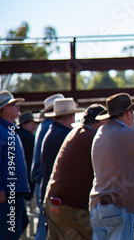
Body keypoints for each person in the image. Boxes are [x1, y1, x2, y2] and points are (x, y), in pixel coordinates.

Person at [89, 93, 134, 240]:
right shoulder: (126, 134)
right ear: (128, 113)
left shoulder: (101, 132)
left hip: (97, 205)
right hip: (119, 206)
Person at [43, 104, 106, 240]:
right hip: (70, 207)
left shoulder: (76, 132)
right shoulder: (93, 137)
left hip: (57, 202)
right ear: (101, 121)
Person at [40, 98, 84, 212]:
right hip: (60, 197)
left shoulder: (52, 132)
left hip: (52, 193)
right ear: (72, 117)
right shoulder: (65, 137)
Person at [32, 93, 64, 240]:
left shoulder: (44, 127)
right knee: (45, 229)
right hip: (45, 182)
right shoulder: (51, 128)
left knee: (44, 225)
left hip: (41, 181)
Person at [0, 91, 30, 239]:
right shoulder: (1, 131)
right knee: (9, 233)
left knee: (19, 226)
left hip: (15, 191)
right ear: (5, 108)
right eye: (14, 104)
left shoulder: (9, 130)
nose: (18, 107)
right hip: (8, 192)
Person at [16, 111, 39, 200]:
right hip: (25, 179)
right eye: (31, 123)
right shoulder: (29, 138)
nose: (34, 126)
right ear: (24, 124)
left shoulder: (15, 134)